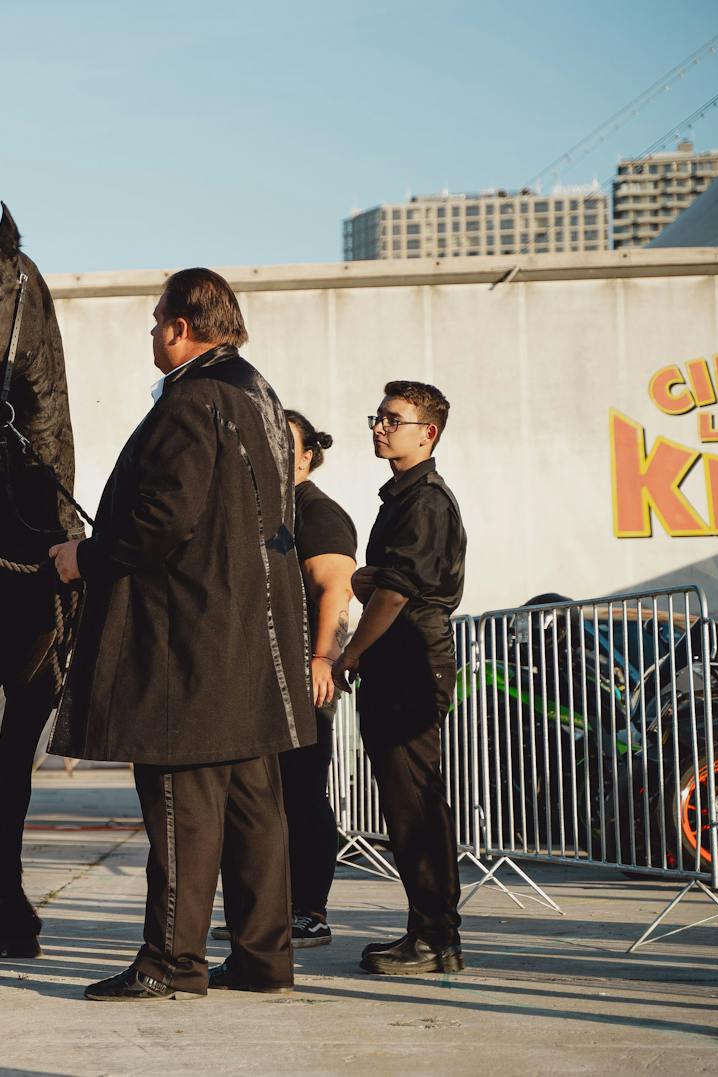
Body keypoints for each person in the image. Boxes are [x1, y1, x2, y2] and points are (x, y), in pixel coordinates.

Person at [47, 268, 314, 1001]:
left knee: (178, 805)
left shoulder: (191, 401)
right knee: (255, 808)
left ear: (180, 327)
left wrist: (84, 558)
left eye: (157, 319)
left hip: (189, 645)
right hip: (250, 647)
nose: (152, 332)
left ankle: (171, 959)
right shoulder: (257, 392)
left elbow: (166, 520)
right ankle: (264, 956)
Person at [334, 380, 467, 975]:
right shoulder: (403, 496)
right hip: (403, 658)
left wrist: (349, 653)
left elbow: (394, 594)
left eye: (392, 419)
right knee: (408, 801)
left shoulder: (426, 500)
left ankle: (436, 938)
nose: (379, 428)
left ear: (428, 432)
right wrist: (371, 582)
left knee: (415, 803)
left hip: (412, 659)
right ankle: (430, 932)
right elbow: (386, 582)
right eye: (377, 417)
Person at [212, 411, 355, 949]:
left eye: (282, 444)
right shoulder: (261, 512)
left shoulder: (317, 513)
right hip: (255, 680)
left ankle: (308, 911)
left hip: (301, 680)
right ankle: (267, 907)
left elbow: (335, 589)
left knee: (300, 794)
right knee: (255, 800)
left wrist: (323, 659)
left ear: (307, 456)